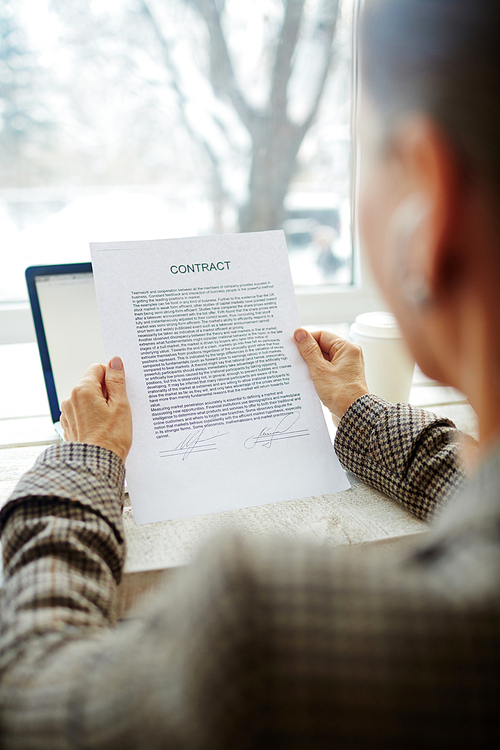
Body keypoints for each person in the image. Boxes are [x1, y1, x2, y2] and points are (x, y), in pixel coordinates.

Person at [1, 0, 500, 745]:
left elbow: (32, 691)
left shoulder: (264, 633)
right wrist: (356, 408)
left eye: (364, 151)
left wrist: (83, 463)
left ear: (429, 204)